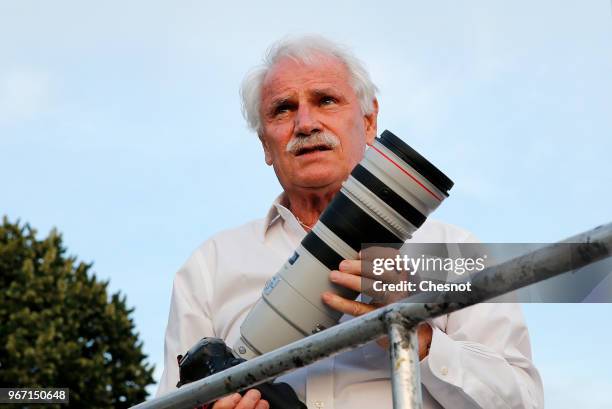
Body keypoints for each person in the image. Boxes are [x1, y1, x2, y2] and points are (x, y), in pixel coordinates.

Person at [156, 35, 544, 409]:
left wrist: (414, 330)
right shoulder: (210, 266)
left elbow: (523, 402)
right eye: (283, 109)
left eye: (326, 100)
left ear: (370, 121)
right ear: (265, 144)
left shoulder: (454, 252)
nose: (305, 124)